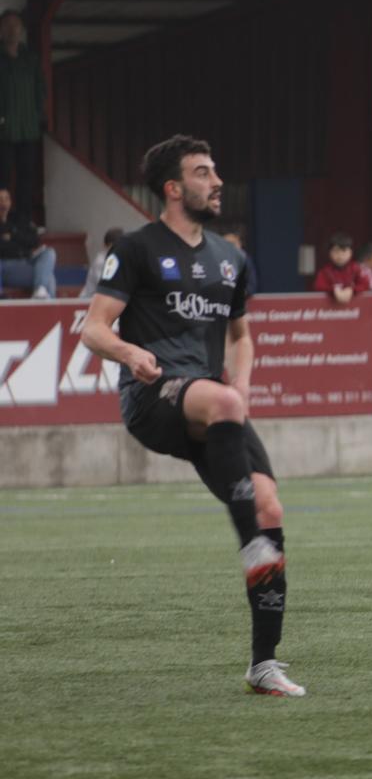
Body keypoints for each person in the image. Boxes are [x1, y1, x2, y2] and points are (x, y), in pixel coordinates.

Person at [79, 134, 302, 697]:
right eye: (204, 173)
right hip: (151, 398)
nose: (217, 181)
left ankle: (263, 664)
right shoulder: (135, 249)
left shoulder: (233, 259)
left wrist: (244, 383)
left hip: (211, 401)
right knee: (228, 419)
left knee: (271, 506)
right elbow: (93, 328)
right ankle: (248, 541)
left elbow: (242, 337)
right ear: (174, 189)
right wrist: (131, 353)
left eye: (215, 171)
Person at [0, 8, 45, 217]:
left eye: (16, 26)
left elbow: (40, 90)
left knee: (27, 177)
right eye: (8, 26)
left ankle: (24, 219)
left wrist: (38, 117)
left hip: (28, 128)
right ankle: (3, 220)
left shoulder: (30, 59)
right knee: (3, 176)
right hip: (4, 129)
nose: (12, 30)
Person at [0, 185, 56, 297]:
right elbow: (4, 248)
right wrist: (18, 244)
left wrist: (13, 235)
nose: (3, 203)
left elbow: (34, 240)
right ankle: (45, 304)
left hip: (25, 262)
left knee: (49, 253)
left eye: (6, 199)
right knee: (48, 277)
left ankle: (40, 291)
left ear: (10, 202)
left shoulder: (17, 219)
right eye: (0, 199)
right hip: (6, 266)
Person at [312, 234, 364, 304]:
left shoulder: (356, 268)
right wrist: (334, 290)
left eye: (344, 251)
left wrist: (352, 290)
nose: (340, 255)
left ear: (351, 253)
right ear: (329, 253)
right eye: (336, 251)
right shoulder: (325, 271)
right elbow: (318, 286)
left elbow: (366, 283)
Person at [79, 225, 126, 302]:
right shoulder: (101, 262)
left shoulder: (121, 260)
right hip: (88, 303)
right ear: (105, 246)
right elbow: (107, 287)